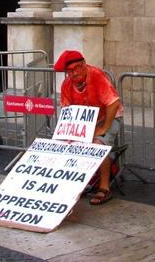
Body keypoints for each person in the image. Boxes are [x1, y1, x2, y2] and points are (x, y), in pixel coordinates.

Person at [54, 50, 124, 205]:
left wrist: (104, 128)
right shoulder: (66, 84)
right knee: (67, 144)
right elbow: (67, 111)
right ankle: (76, 181)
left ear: (84, 64)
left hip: (108, 117)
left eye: (78, 67)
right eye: (70, 71)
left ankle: (104, 188)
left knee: (98, 144)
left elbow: (113, 103)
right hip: (85, 121)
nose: (75, 73)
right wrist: (68, 135)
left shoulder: (97, 75)